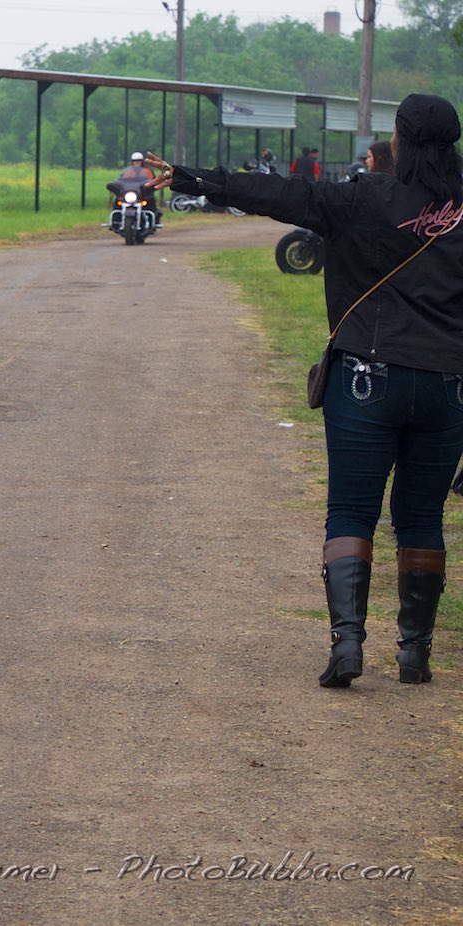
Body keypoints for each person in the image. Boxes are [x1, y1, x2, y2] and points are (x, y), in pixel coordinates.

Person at [147, 93, 463, 689]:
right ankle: (415, 654)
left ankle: (348, 645)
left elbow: (281, 194)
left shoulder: (362, 198)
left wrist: (197, 179)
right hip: (447, 388)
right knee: (422, 517)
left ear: (399, 139)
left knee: (351, 511)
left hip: (366, 378)